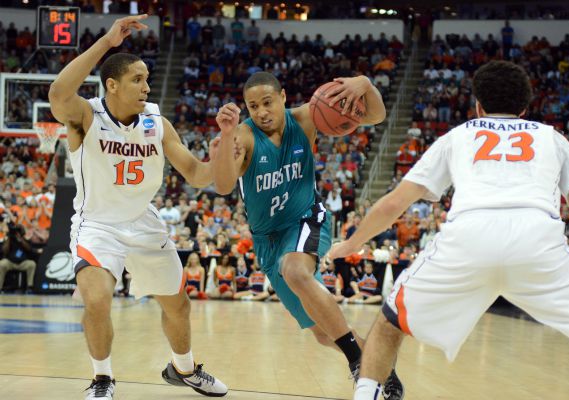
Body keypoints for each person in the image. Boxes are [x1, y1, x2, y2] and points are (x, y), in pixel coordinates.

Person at [326, 60, 569, 400]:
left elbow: (393, 203)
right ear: (524, 108)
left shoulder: (457, 136)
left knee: (389, 324)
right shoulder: (553, 139)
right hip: (536, 239)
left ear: (477, 106)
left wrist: (351, 242)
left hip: (469, 236)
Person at [47, 15, 227, 399]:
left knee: (178, 306)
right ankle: (102, 379)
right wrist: (107, 42)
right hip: (97, 225)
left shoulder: (157, 123)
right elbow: (59, 93)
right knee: (96, 300)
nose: (147, 86)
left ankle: (184, 369)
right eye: (137, 79)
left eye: (147, 79)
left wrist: (221, 151)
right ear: (111, 84)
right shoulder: (85, 116)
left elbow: (196, 174)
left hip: (144, 223)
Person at [212, 71, 403, 398]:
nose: (261, 112)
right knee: (323, 333)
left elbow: (376, 115)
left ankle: (359, 363)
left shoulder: (307, 117)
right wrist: (226, 138)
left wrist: (365, 84)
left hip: (306, 218)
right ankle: (380, 364)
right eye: (253, 106)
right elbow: (223, 186)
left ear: (283, 97)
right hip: (267, 241)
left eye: (267, 102)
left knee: (295, 271)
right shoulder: (242, 136)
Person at [0, 222, 37, 292]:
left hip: (22, 263)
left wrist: (21, 240)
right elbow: (4, 251)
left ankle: (29, 286)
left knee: (32, 264)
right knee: (1, 264)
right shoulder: (9, 240)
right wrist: (9, 238)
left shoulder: (25, 240)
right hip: (10, 263)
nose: (16, 233)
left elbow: (30, 249)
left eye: (18, 231)